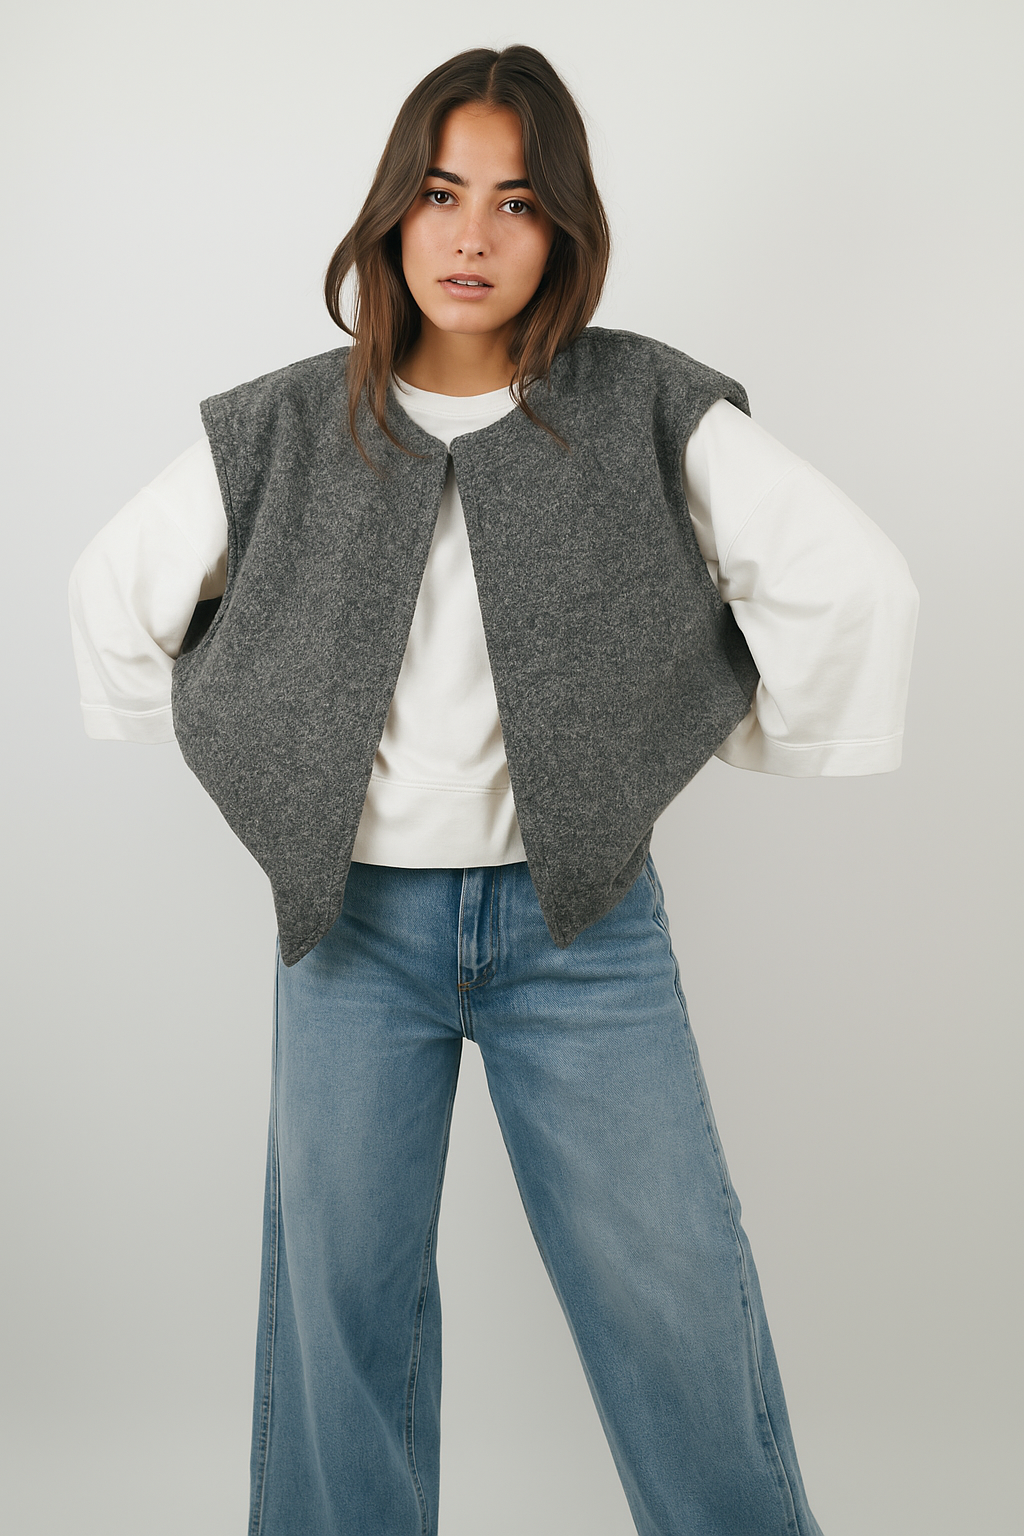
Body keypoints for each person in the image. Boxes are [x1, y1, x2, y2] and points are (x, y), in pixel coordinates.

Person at [68, 44, 918, 1536]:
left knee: (674, 1293)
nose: (473, 236)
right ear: (392, 213)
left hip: (580, 927)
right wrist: (255, 762)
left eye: (517, 203)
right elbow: (111, 588)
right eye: (442, 194)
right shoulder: (287, 422)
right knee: (339, 1313)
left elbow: (850, 577)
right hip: (349, 930)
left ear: (564, 228)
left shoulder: (642, 401)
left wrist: (744, 739)